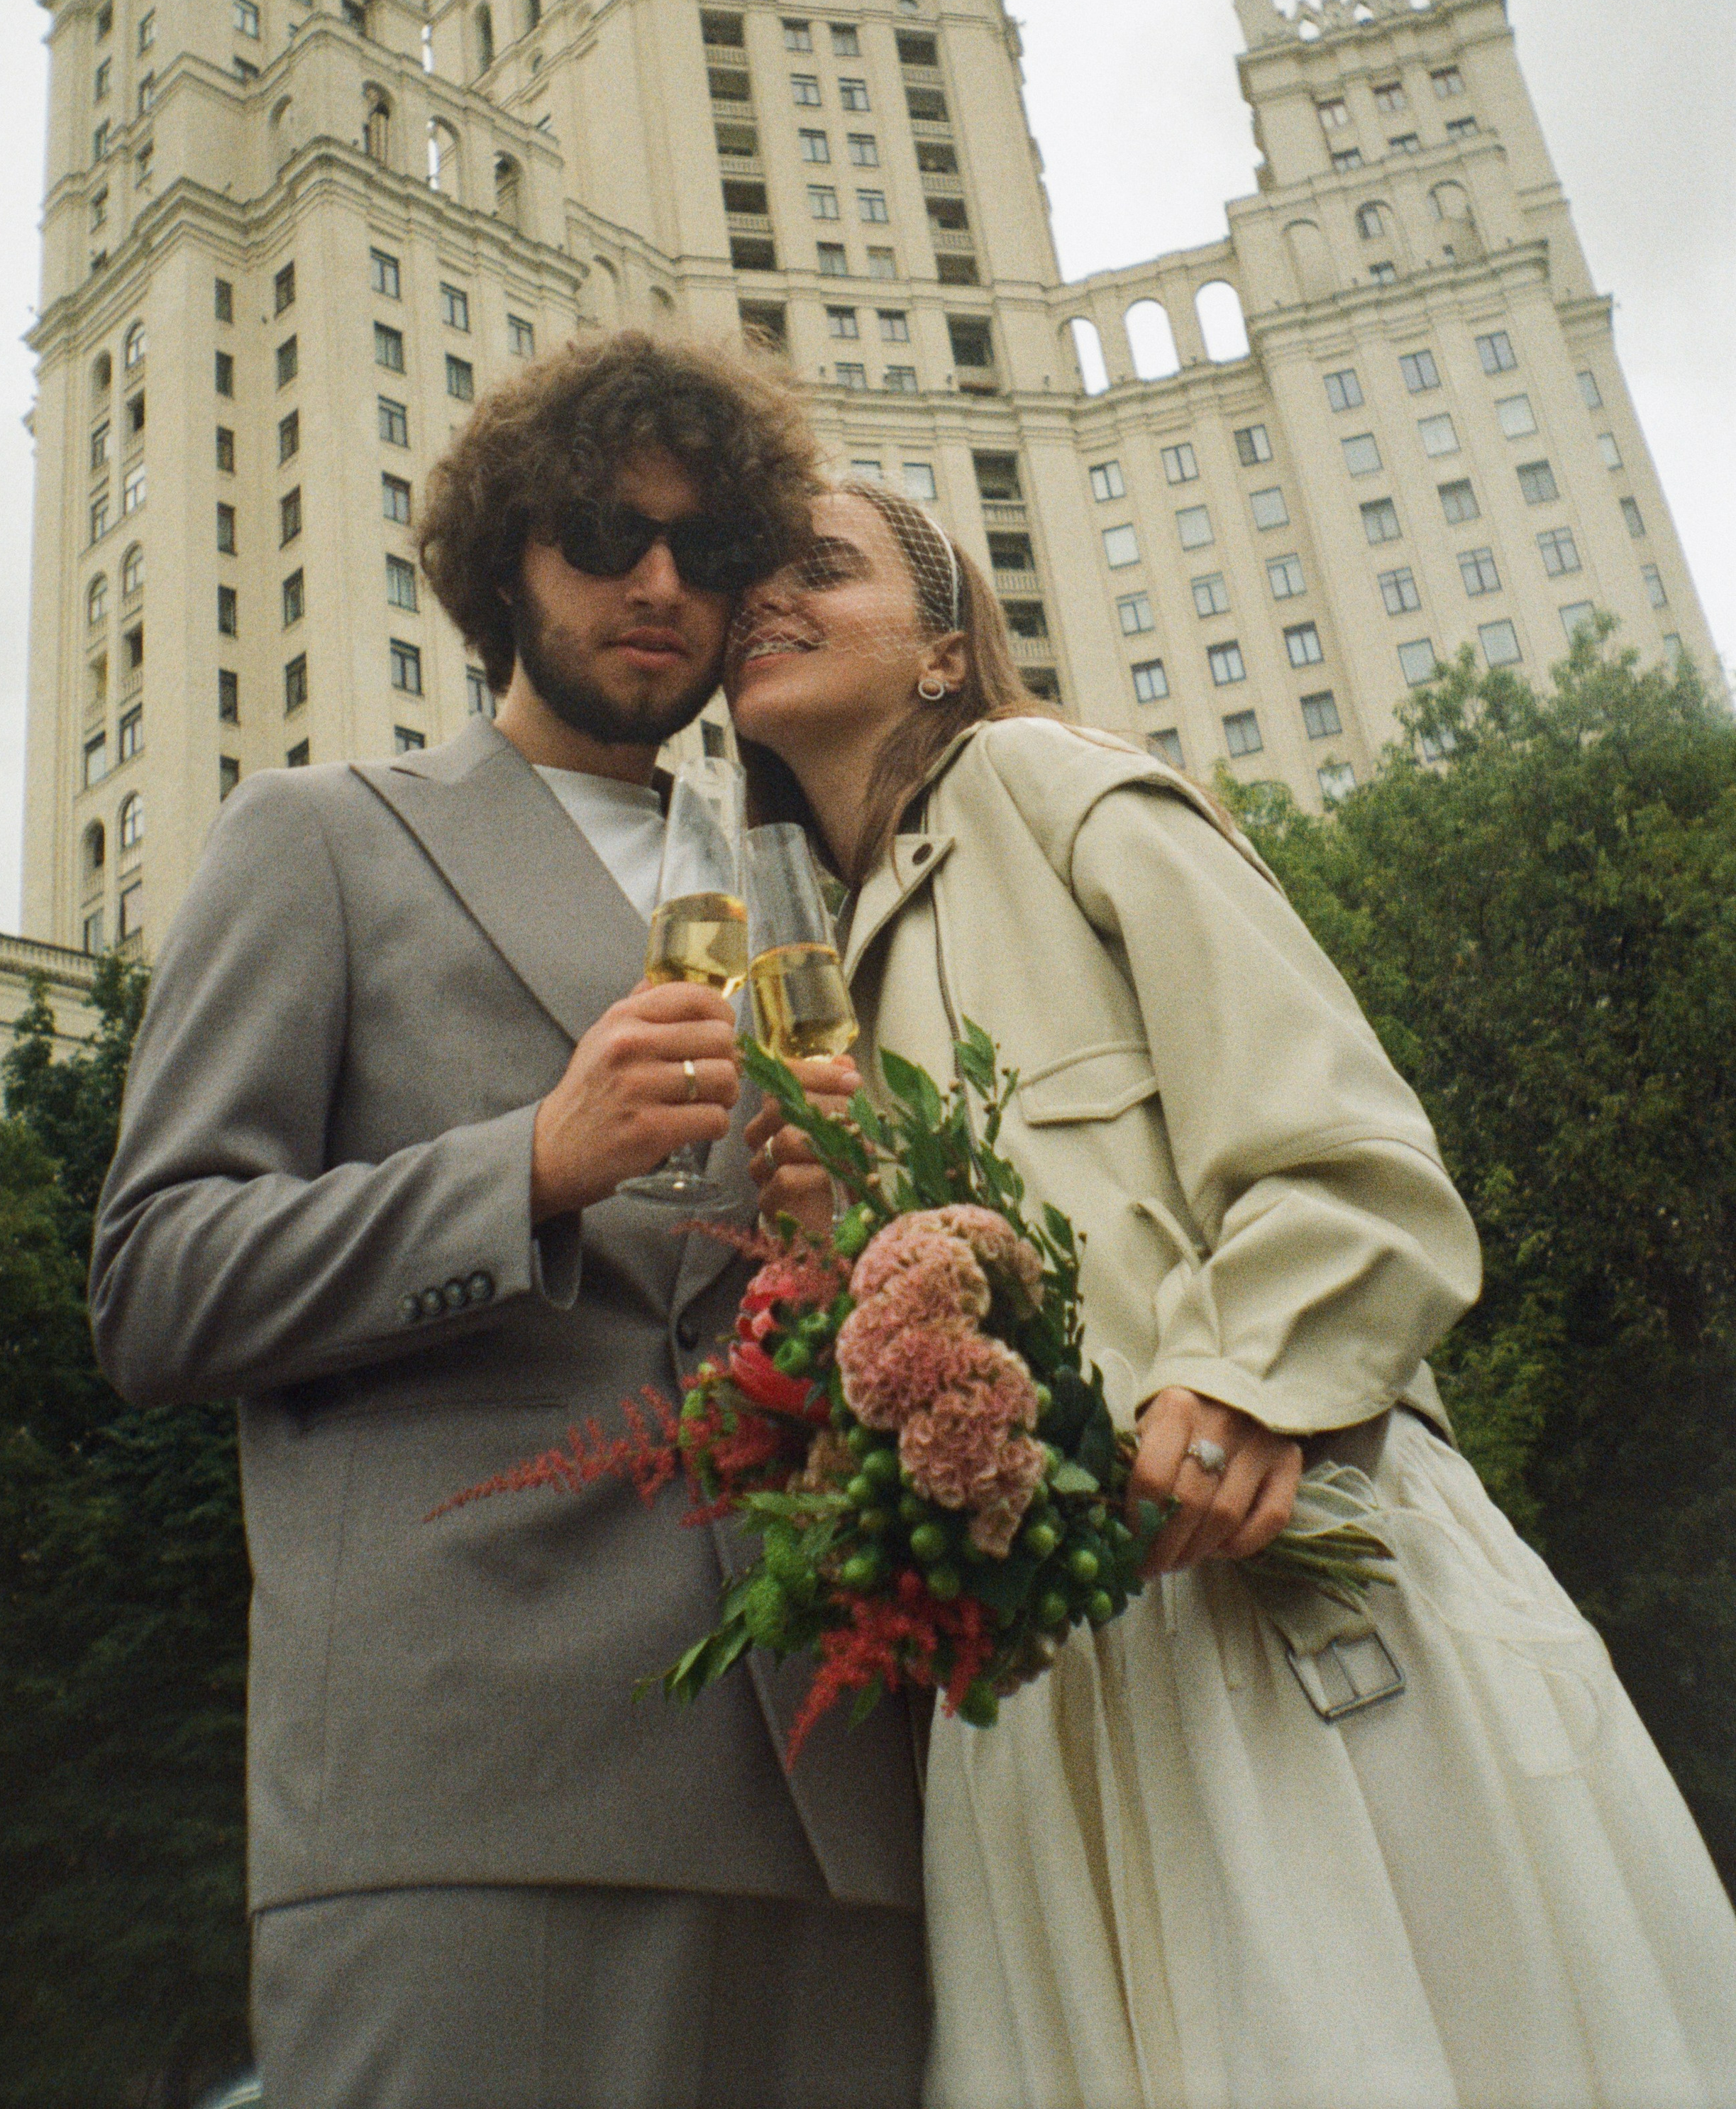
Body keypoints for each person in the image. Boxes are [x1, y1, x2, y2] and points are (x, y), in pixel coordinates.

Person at [730, 478, 1736, 2109]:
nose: (761, 600)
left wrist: (1256, 1373)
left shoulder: (1040, 776)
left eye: (819, 570)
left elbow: (1346, 1149)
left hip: (1271, 1577)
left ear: (936, 647)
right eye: (744, 585)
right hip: (1051, 1671)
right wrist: (858, 1201)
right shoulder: (838, 956)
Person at [89, 342, 928, 2109]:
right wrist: (525, 1163)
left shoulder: (815, 887)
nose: (654, 583)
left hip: (840, 1789)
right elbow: (156, 1281)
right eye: (599, 531)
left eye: (706, 553)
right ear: (498, 560)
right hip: (478, 1792)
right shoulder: (316, 837)